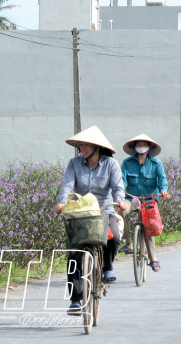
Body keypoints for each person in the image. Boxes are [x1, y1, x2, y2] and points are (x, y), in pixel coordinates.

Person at [54, 126, 127, 315]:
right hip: (80, 212)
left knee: (115, 236)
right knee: (74, 253)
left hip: (104, 209)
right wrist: (62, 203)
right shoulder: (74, 163)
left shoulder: (111, 165)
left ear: (97, 147)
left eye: (86, 145)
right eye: (80, 145)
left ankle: (107, 267)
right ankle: (76, 300)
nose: (82, 148)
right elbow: (67, 185)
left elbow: (118, 187)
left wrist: (119, 201)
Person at [118, 134, 169, 272]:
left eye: (143, 144)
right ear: (134, 147)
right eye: (138, 145)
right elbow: (122, 181)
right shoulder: (127, 163)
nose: (141, 147)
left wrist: (164, 191)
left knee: (148, 224)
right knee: (121, 210)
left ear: (149, 147)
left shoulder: (156, 164)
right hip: (132, 199)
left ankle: (153, 257)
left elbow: (162, 180)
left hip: (149, 200)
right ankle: (129, 243)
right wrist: (119, 192)